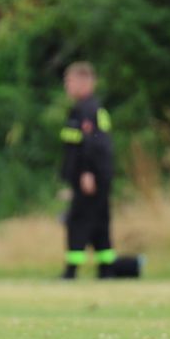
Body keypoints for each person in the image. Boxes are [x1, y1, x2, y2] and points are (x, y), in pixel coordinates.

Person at [59, 62, 117, 279]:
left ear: (85, 82)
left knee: (78, 220)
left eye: (70, 81)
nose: (67, 86)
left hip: (90, 176)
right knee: (100, 221)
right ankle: (107, 269)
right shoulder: (90, 108)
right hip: (97, 175)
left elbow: (92, 145)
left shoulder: (86, 110)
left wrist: (86, 172)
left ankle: (71, 271)